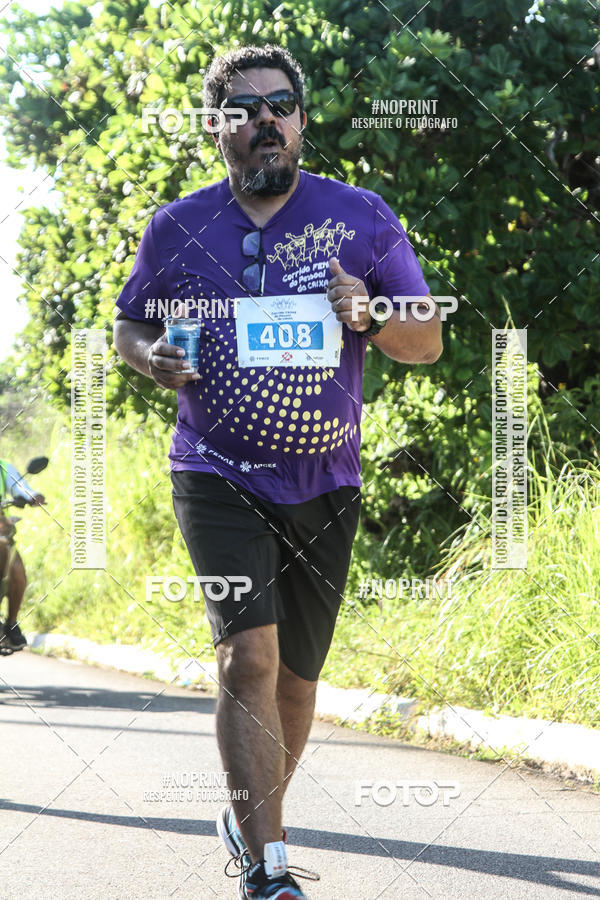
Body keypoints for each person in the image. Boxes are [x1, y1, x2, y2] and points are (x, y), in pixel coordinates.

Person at [114, 43, 442, 899]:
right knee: (246, 660)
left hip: (325, 480)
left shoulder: (361, 216)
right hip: (215, 470)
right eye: (246, 106)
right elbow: (131, 328)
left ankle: (250, 810)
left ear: (300, 121)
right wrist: (154, 359)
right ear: (218, 126)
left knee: (297, 684)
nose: (267, 118)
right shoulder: (176, 227)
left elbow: (426, 338)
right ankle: (268, 867)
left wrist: (368, 315)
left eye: (282, 104)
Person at [0, 460, 45, 649]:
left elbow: (19, 485)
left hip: (1, 532)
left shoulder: (3, 468)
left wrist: (32, 496)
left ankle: (11, 622)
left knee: (17, 570)